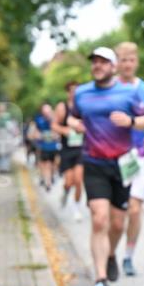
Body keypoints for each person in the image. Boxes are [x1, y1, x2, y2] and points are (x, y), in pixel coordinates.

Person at [69, 46, 144, 286]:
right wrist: (75, 124)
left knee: (117, 222)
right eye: (94, 62)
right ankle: (100, 278)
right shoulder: (81, 93)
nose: (97, 66)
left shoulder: (128, 93)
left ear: (113, 67)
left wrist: (131, 122)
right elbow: (72, 117)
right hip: (94, 162)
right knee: (99, 218)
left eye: (103, 62)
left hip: (122, 164)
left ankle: (111, 253)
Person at [114, 41, 144, 276]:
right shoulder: (108, 89)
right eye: (123, 60)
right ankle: (110, 252)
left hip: (138, 156)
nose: (127, 64)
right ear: (116, 63)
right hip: (112, 158)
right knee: (115, 216)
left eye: (131, 60)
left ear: (136, 62)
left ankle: (128, 257)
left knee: (134, 210)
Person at [54, 81, 86, 222]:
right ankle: (66, 192)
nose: (74, 93)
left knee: (78, 180)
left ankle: (76, 207)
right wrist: (64, 130)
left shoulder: (85, 106)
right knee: (69, 181)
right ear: (68, 92)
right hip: (67, 150)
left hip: (81, 149)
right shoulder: (63, 107)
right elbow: (54, 125)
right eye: (71, 90)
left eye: (77, 90)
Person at [29, 102, 60, 191]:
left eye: (49, 111)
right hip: (43, 146)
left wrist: (57, 134)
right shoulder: (38, 120)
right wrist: (38, 135)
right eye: (45, 111)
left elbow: (60, 130)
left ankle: (51, 176)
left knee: (54, 164)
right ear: (42, 112)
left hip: (54, 146)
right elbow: (33, 133)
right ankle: (47, 182)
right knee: (45, 164)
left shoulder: (55, 119)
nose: (47, 113)